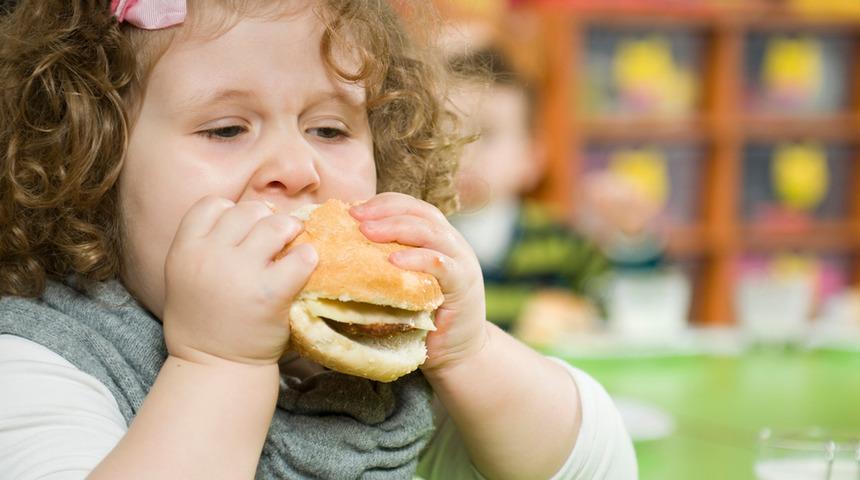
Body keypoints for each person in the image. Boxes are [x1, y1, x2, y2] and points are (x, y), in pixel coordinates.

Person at [0, 1, 636, 479]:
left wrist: (469, 352)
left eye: (329, 130)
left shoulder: (375, 354)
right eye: (226, 129)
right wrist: (221, 364)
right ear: (90, 167)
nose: (298, 167)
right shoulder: (39, 359)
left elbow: (600, 467)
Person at [448, 47, 619, 330]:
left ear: (531, 158)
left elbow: (613, 301)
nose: (463, 153)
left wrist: (631, 239)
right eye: (444, 132)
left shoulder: (560, 240)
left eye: (485, 134)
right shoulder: (420, 233)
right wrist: (524, 311)